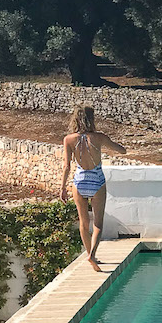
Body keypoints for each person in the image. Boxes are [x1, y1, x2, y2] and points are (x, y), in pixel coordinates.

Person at [60, 106, 127, 272]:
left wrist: (62, 188)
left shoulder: (68, 139)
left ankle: (90, 254)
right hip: (96, 180)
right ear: (92, 119)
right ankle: (93, 254)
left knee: (84, 222)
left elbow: (66, 166)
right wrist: (118, 146)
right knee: (98, 223)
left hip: (79, 181)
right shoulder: (99, 138)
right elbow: (121, 150)